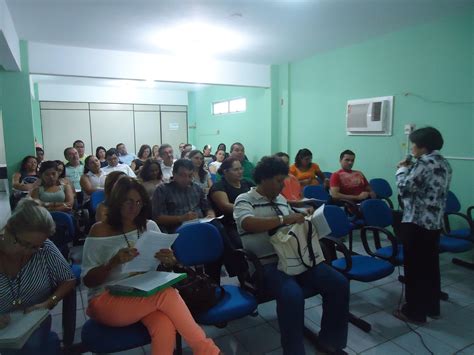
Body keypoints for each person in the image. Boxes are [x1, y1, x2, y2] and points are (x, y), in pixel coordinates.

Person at [81, 177, 220, 355]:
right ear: (117, 202)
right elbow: (88, 281)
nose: (134, 207)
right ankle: (208, 351)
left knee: (164, 324)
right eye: (128, 201)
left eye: (139, 202)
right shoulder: (99, 230)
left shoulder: (149, 226)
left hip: (143, 293)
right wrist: (112, 263)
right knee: (167, 294)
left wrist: (169, 259)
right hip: (105, 299)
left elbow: (170, 262)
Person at [233, 156, 349, 355]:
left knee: (338, 282)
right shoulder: (244, 199)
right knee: (292, 295)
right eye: (278, 181)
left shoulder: (281, 199)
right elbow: (247, 223)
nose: (282, 185)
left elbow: (290, 216)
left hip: (296, 258)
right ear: (263, 179)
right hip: (267, 265)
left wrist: (304, 214)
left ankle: (331, 341)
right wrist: (284, 218)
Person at [0, 199, 76, 355]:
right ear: (8, 229)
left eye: (35, 247)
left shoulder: (44, 248)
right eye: (23, 243)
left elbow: (68, 280)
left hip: (33, 321)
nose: (28, 251)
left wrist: (48, 302)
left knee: (31, 346)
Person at [393, 127, 451, 324]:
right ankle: (432, 307)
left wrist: (400, 170)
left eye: (414, 145)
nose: (412, 148)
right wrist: (411, 166)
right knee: (430, 267)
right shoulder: (444, 163)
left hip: (416, 223)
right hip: (434, 223)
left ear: (423, 147)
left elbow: (405, 187)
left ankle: (414, 312)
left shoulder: (424, 163)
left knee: (414, 269)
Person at [208, 157, 253, 248]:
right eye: (236, 169)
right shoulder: (219, 186)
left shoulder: (246, 183)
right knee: (243, 245)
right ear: (225, 171)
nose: (240, 172)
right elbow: (225, 206)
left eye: (241, 168)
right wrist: (248, 208)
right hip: (229, 224)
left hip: (248, 218)